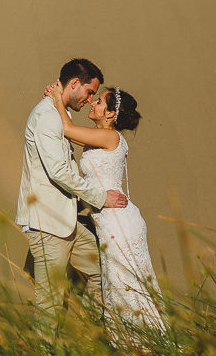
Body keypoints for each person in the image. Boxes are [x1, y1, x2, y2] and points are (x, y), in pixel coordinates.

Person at [15, 59, 128, 334]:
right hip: (48, 224)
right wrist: (101, 198)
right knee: (50, 303)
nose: (90, 100)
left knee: (103, 272)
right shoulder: (46, 116)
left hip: (67, 222)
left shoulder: (56, 113)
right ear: (75, 84)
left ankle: (89, 337)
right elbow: (59, 172)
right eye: (90, 92)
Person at [44, 82, 166, 335]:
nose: (92, 102)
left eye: (99, 102)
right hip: (112, 219)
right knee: (119, 283)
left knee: (124, 285)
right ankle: (132, 343)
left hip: (118, 223)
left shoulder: (110, 136)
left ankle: (140, 345)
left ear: (110, 114)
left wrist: (57, 98)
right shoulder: (99, 138)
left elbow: (66, 129)